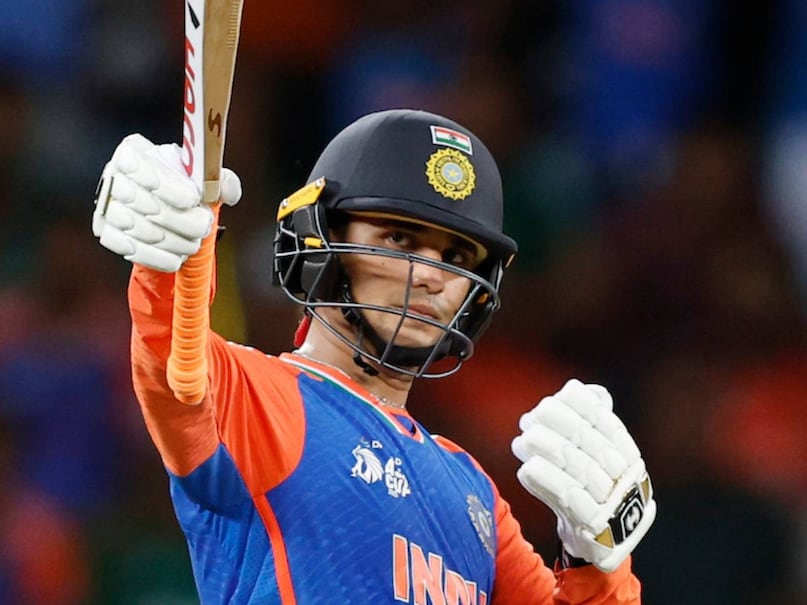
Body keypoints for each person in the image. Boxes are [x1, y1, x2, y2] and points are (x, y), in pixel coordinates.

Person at [91, 109, 655, 604]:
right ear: (318, 237)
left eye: (457, 257)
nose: (432, 276)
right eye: (400, 239)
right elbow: (176, 366)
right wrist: (171, 257)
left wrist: (597, 566)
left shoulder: (474, 491)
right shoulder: (263, 400)